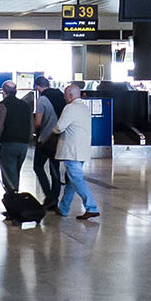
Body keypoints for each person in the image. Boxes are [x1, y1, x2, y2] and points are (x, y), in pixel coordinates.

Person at [50, 81, 100, 220]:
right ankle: (64, 208)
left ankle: (92, 207)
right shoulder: (84, 108)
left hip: (71, 150)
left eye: (65, 95)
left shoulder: (70, 108)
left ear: (70, 95)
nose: (64, 98)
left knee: (76, 178)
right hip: (82, 150)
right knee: (72, 180)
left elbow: (59, 127)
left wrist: (52, 131)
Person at [0, 81, 32, 197]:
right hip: (23, 145)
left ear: (3, 92)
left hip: (9, 144)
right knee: (15, 173)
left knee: (8, 174)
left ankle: (13, 202)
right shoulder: (25, 105)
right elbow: (31, 126)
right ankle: (15, 198)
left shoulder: (3, 104)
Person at [29, 76, 67, 211]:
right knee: (54, 170)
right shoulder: (61, 96)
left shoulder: (42, 99)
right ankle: (54, 199)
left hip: (45, 139)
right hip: (60, 139)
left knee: (38, 166)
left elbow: (38, 122)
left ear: (38, 87)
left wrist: (33, 126)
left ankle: (49, 196)